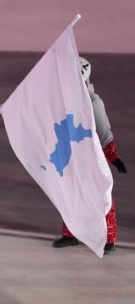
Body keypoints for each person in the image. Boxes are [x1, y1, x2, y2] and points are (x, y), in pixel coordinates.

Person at [52, 57, 127, 255]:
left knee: (102, 194)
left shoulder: (93, 102)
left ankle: (109, 237)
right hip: (72, 156)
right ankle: (71, 233)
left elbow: (103, 131)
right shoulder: (64, 101)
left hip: (91, 156)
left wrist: (113, 156)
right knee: (71, 194)